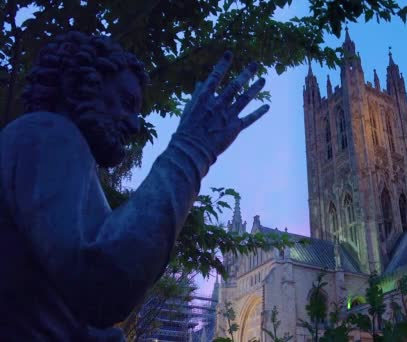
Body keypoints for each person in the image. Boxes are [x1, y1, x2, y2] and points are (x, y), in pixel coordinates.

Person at [0, 31, 269, 341]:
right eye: (126, 103)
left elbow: (61, 311)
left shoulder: (44, 150)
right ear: (77, 87)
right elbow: (101, 285)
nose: (134, 124)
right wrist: (190, 151)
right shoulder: (46, 134)